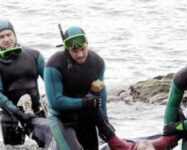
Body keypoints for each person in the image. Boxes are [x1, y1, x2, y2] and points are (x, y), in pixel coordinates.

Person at [44, 25, 139, 150]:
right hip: (61, 119)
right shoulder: (54, 65)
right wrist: (83, 102)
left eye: (83, 49)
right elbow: (56, 102)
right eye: (75, 51)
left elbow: (102, 95)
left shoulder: (97, 62)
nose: (80, 54)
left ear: (87, 44)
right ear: (67, 49)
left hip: (86, 116)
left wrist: (105, 125)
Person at [0, 19, 52, 148]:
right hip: (11, 116)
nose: (6, 39)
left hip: (36, 111)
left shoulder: (34, 55)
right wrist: (18, 113)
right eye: (1, 37)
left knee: (49, 143)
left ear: (15, 35)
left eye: (9, 34)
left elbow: (51, 82)